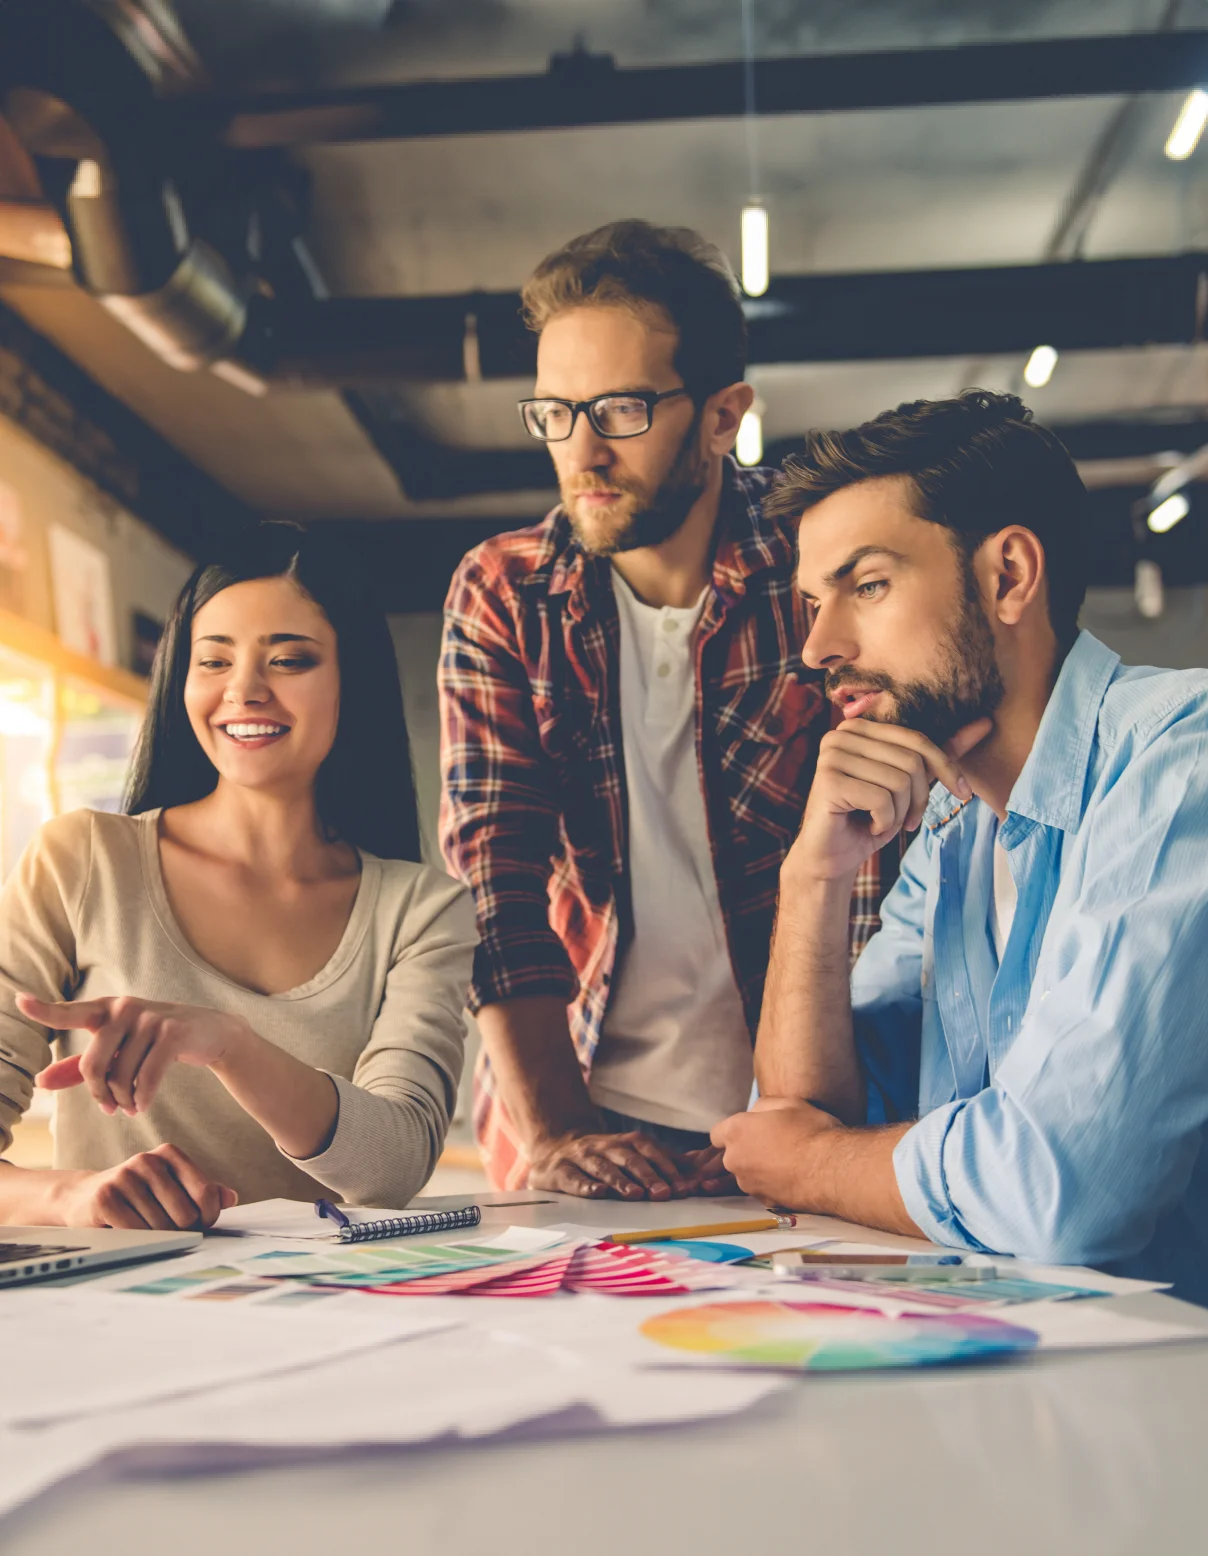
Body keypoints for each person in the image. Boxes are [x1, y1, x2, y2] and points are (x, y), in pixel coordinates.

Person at [711, 390, 1208, 1300]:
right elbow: (801, 1116)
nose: (818, 646)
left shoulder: (1182, 762)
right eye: (813, 603)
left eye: (866, 585)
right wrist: (812, 882)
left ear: (1009, 576)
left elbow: (1063, 1191)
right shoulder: (952, 832)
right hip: (1050, 1384)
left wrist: (822, 1162)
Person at [439, 218, 886, 1200]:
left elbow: (880, 862)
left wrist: (820, 1126)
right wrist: (554, 1128)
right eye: (554, 412)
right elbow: (492, 868)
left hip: (808, 1105)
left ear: (723, 417)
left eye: (621, 409)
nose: (582, 450)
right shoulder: (504, 591)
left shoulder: (814, 572)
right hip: (579, 1100)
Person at [0, 524, 477, 1228]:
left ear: (354, 682)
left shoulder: (422, 910)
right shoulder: (80, 861)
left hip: (339, 1318)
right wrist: (69, 1194)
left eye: (289, 660)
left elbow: (393, 1168)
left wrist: (230, 1046)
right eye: (213, 661)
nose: (245, 691)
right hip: (119, 1314)